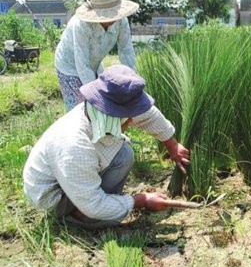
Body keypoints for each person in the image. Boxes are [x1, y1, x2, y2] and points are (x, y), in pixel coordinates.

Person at [23, 65, 190, 229]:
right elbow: (93, 203)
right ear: (111, 117)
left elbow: (147, 115)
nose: (132, 121)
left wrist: (172, 145)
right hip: (55, 196)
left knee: (124, 154)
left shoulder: (101, 110)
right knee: (107, 217)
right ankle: (77, 215)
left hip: (75, 176)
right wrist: (140, 201)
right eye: (127, 119)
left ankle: (107, 203)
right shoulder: (74, 145)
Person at [55, 0, 139, 111]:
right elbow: (82, 62)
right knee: (81, 111)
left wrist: (132, 82)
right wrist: (94, 97)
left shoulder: (121, 21)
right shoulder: (81, 25)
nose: (112, 19)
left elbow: (126, 50)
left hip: (94, 63)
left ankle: (101, 129)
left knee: (103, 108)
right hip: (70, 66)